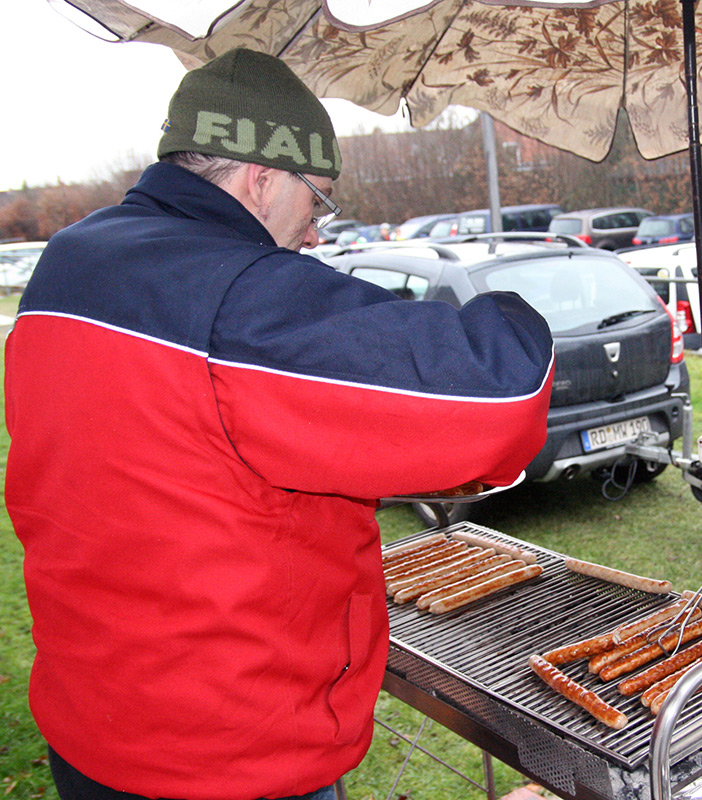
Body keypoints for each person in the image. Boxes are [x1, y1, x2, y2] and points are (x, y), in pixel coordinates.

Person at [5, 49, 554, 800]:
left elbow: (189, 443)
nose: (317, 233)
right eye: (318, 202)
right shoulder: (236, 296)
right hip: (226, 756)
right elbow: (501, 392)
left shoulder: (68, 264)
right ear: (260, 178)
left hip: (94, 725)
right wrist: (520, 304)